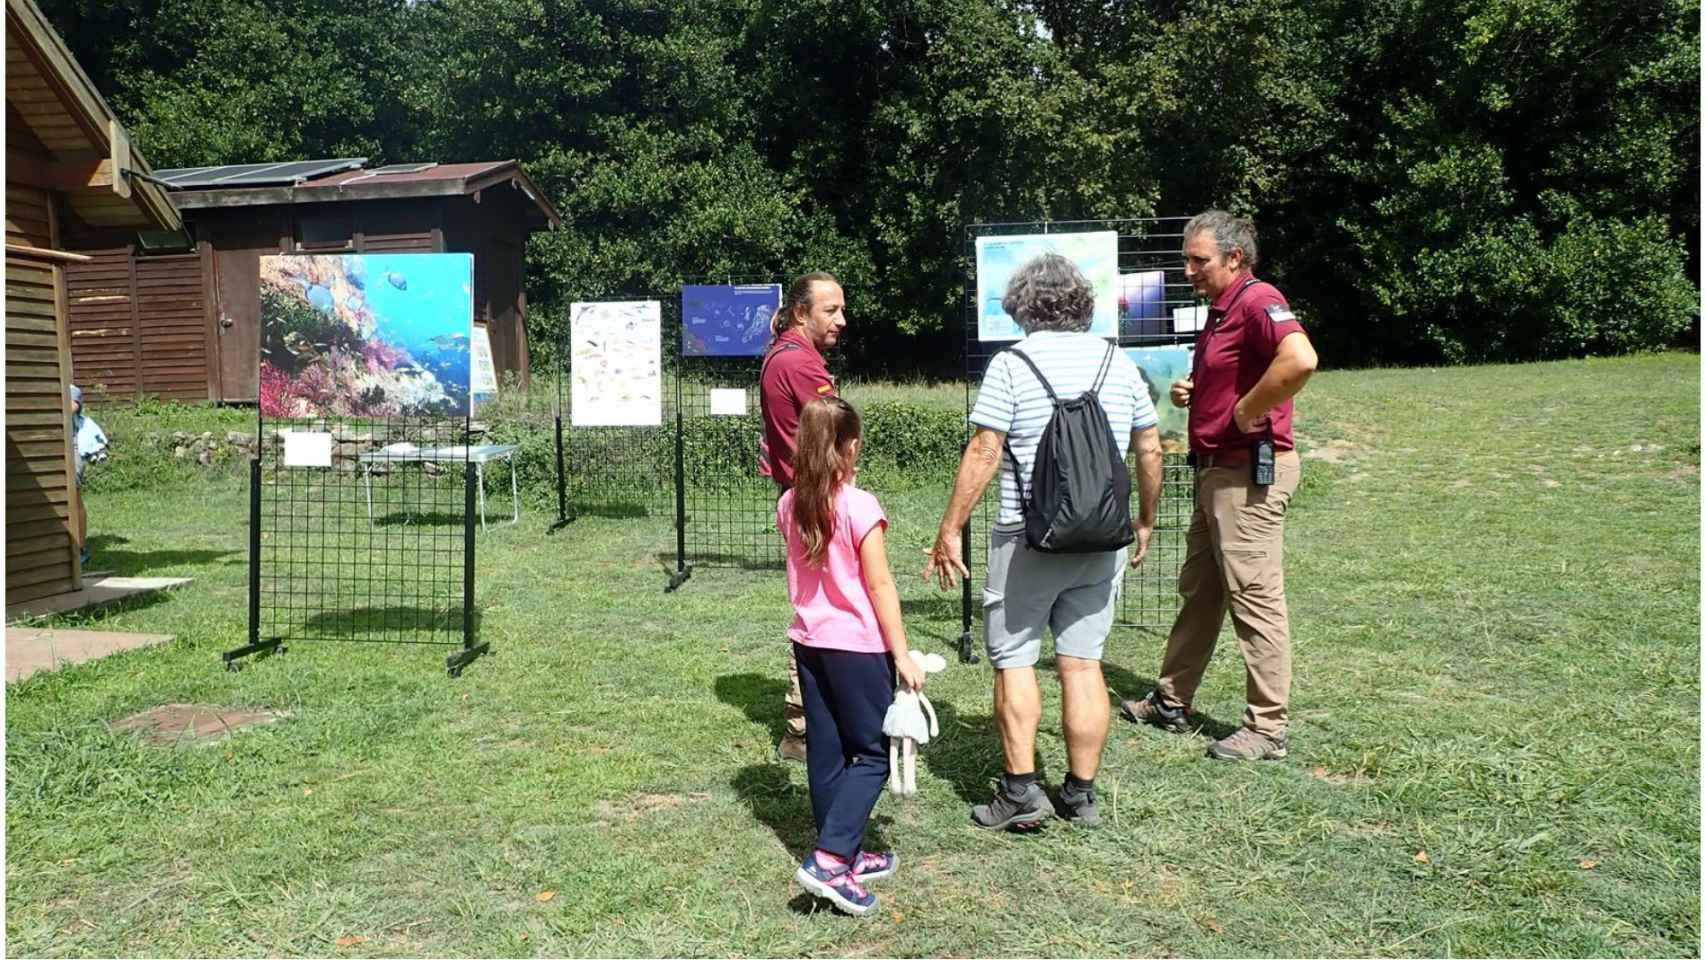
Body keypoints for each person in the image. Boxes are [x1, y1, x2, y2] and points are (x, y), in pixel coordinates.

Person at [923, 253, 1163, 830]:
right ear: (1081, 303)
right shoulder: (1118, 362)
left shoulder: (1011, 366)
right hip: (1102, 539)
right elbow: (1150, 448)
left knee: (1015, 661)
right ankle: (1081, 795)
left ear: (1021, 308)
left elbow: (985, 450)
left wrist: (949, 528)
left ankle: (1019, 793)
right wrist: (1145, 520)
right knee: (1083, 666)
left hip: (1025, 537)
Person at [1119, 210, 1318, 761]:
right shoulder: (1224, 308)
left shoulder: (1257, 300)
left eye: (1198, 260)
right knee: (1201, 592)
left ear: (1235, 258)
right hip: (1219, 473)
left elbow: (1300, 359)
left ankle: (1267, 728)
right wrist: (1197, 390)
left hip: (1246, 474)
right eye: (1187, 258)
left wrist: (1247, 412)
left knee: (1255, 598)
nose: (1188, 270)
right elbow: (1238, 372)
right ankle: (1171, 701)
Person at [780, 396, 925, 917]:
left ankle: (845, 850)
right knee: (871, 754)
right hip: (858, 647)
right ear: (851, 447)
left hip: (809, 642)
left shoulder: (788, 502)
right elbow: (880, 584)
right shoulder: (860, 506)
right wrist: (902, 653)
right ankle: (829, 857)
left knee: (826, 750)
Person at [759, 272, 848, 763]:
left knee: (817, 604)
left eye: (840, 309)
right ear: (800, 313)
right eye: (830, 310)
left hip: (802, 495)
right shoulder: (799, 364)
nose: (841, 319)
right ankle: (802, 725)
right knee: (821, 610)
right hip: (814, 499)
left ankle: (808, 721)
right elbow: (836, 435)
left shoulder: (783, 353)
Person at [68, 384, 108, 568]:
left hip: (72, 446)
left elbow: (72, 407)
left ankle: (80, 547)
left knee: (73, 496)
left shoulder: (69, 388)